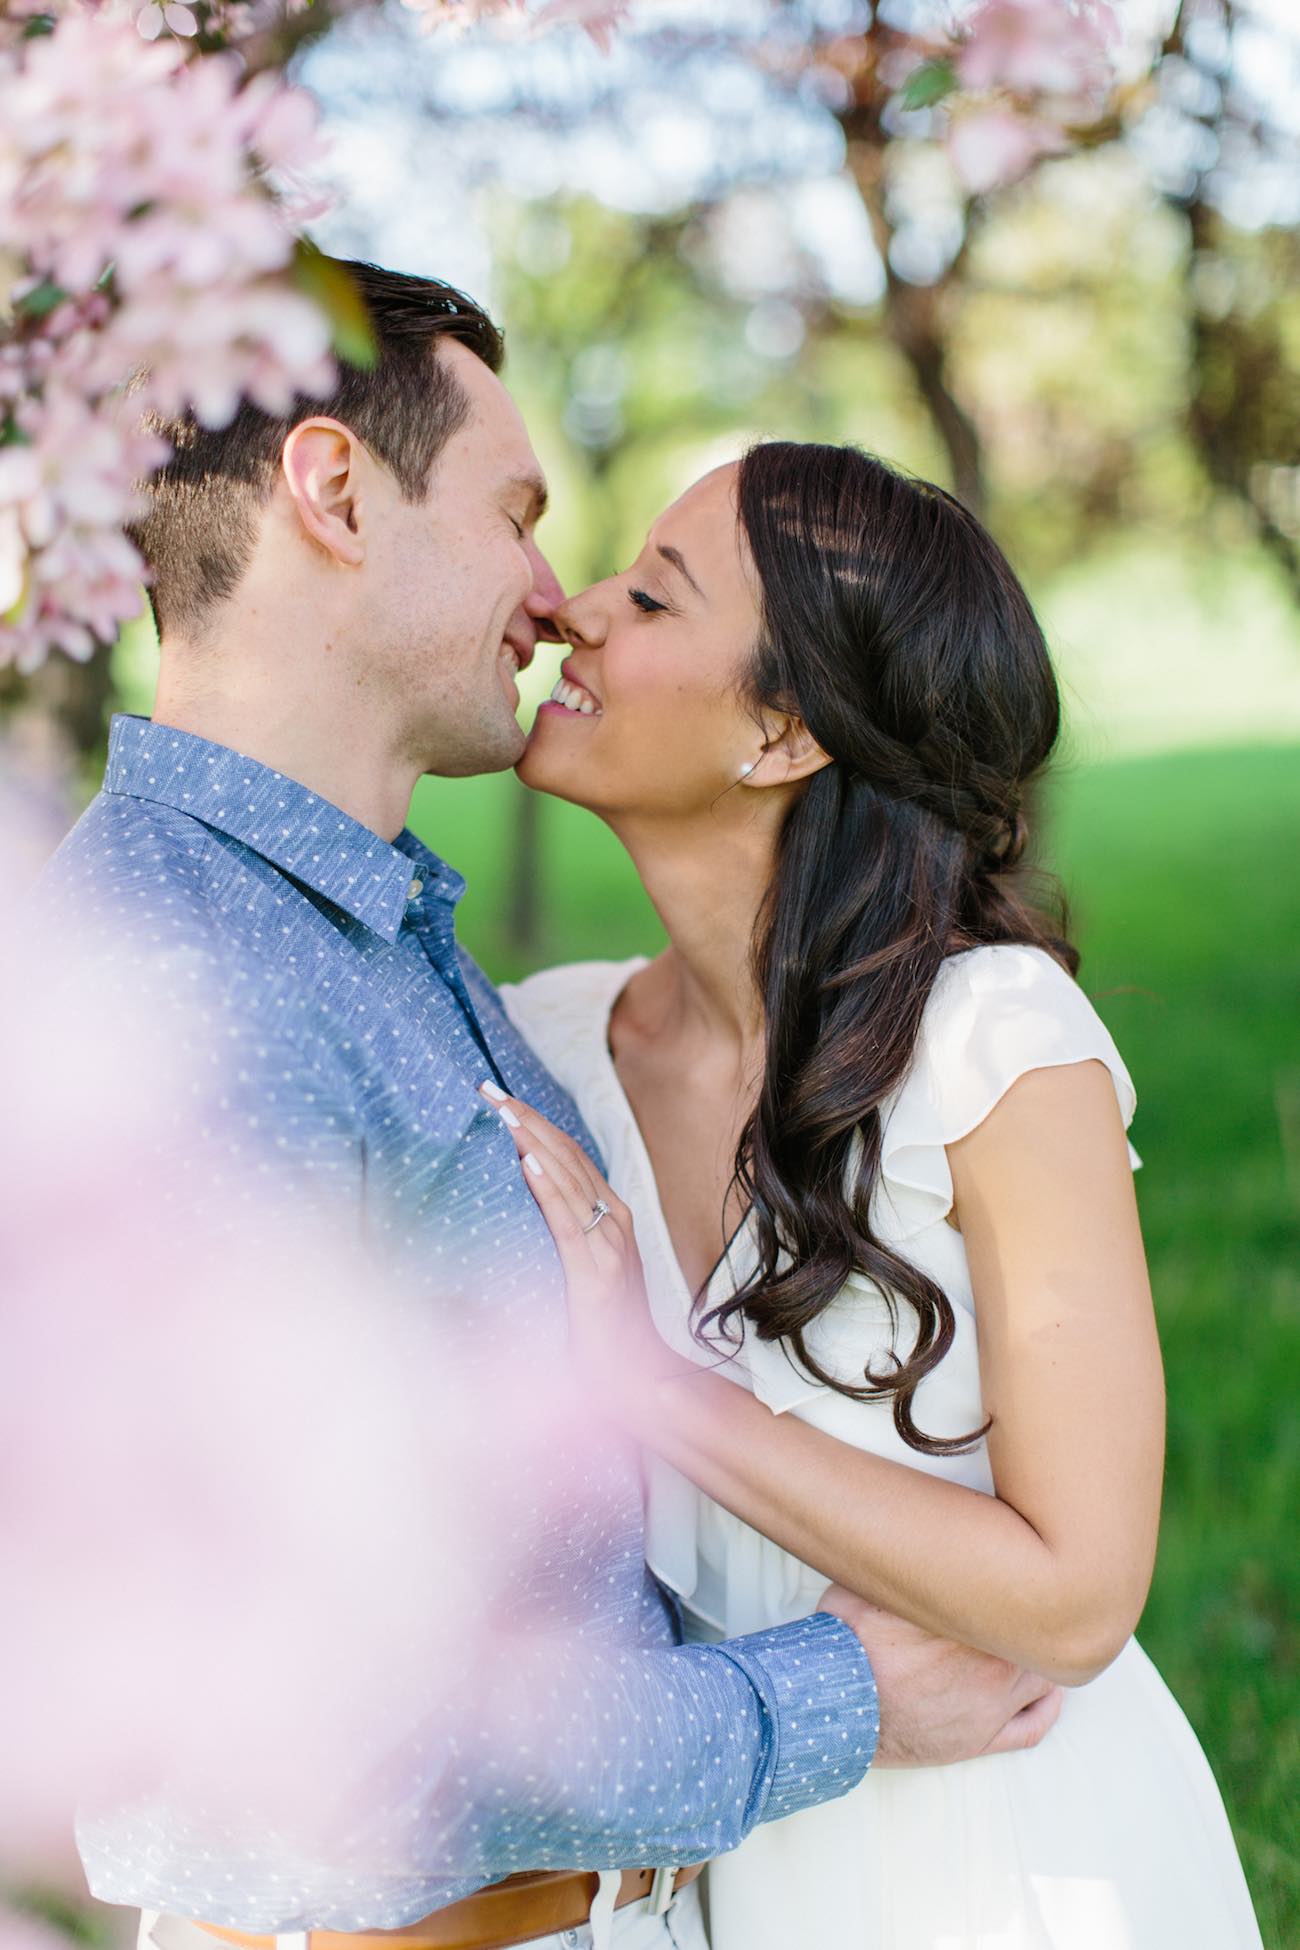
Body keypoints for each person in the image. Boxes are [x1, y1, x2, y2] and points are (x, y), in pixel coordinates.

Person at [34, 266, 1061, 1950]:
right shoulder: (183, 991)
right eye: (514, 512)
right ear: (335, 492)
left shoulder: (381, 944)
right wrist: (839, 1695)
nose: (551, 593)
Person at [494, 444, 1266, 1948]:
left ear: (780, 729)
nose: (578, 610)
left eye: (652, 595)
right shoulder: (551, 1044)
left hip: (1001, 1858)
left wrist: (653, 1391)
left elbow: (1076, 1593)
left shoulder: (992, 1044)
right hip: (705, 1866)